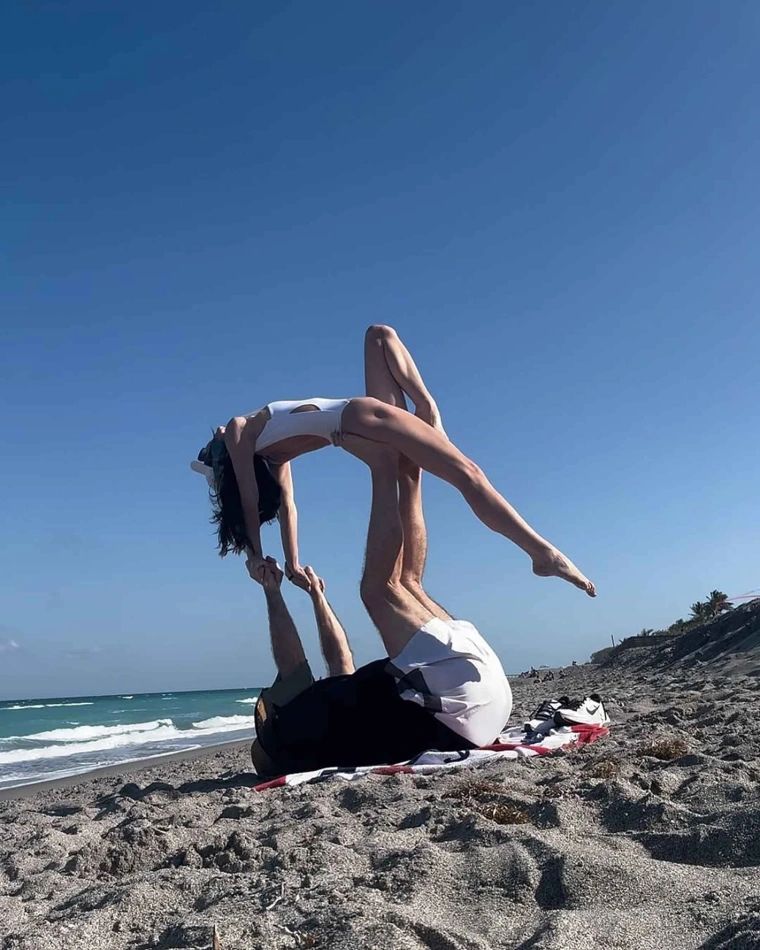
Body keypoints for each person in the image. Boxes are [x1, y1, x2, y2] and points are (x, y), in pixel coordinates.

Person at [191, 325, 596, 598]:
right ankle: (542, 554)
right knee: (467, 473)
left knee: (379, 336)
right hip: (363, 418)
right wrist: (255, 557)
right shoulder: (241, 431)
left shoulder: (275, 456)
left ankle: (427, 406)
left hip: (364, 422)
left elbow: (288, 510)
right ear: (223, 461)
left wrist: (292, 562)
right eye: (212, 449)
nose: (216, 436)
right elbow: (247, 499)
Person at [250, 445, 512, 778]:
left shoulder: (335, 720)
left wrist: (317, 596)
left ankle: (411, 469)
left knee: (409, 583)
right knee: (379, 590)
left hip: (480, 703)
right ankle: (384, 463)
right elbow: (295, 667)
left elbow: (339, 661)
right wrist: (273, 593)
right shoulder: (290, 729)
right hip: (451, 702)